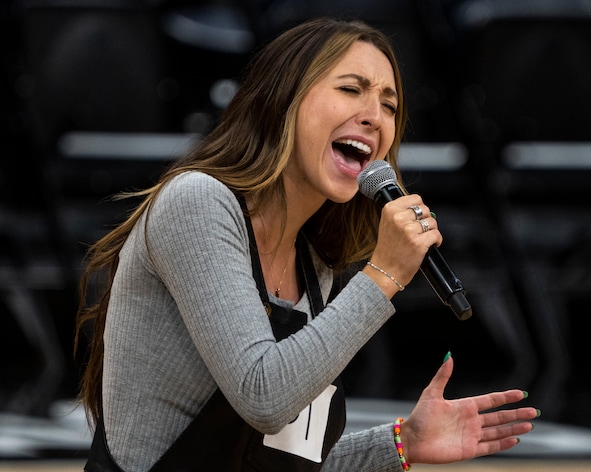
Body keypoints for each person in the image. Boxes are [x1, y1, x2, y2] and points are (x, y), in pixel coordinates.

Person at [74, 17, 538, 472]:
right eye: (351, 89)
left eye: (390, 106)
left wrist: (403, 443)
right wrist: (385, 275)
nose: (374, 117)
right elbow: (264, 396)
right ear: (284, 100)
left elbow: (276, 457)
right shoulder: (198, 202)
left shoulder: (313, 264)